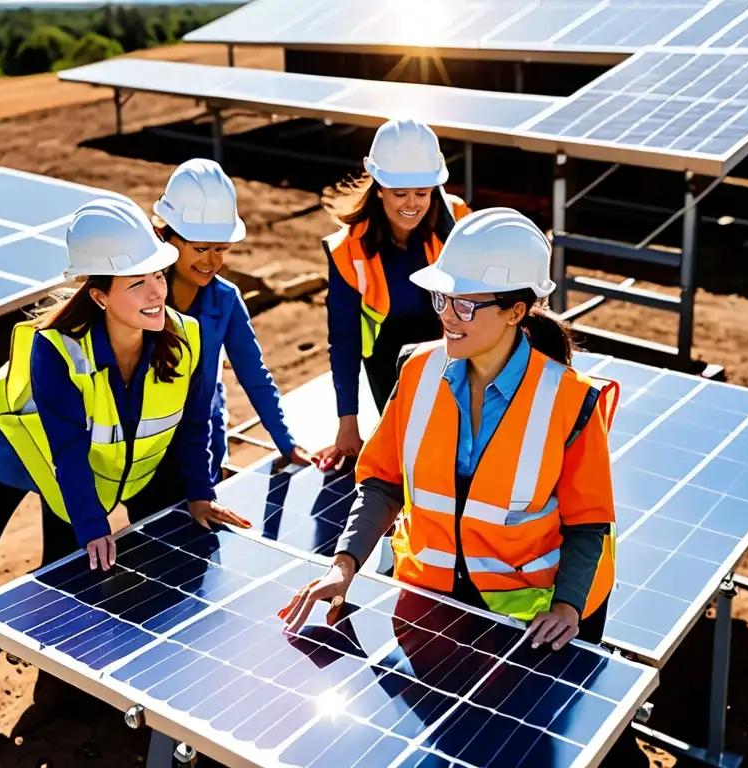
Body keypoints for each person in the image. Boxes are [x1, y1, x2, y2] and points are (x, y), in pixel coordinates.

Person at [0, 197, 249, 701]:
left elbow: (194, 423)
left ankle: (57, 675)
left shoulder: (189, 338)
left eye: (158, 274)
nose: (157, 291)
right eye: (136, 282)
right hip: (10, 447)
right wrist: (94, 525)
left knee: (70, 562)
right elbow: (68, 450)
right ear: (98, 296)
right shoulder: (55, 351)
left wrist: (201, 492)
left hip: (80, 462)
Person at [280, 207, 620, 654]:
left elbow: (588, 522)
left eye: (464, 304)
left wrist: (568, 607)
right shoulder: (417, 370)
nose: (448, 317)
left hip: (533, 617)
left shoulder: (572, 400)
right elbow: (382, 482)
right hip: (433, 600)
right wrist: (344, 565)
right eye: (442, 300)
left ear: (515, 311)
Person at [151, 158, 315, 483]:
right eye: (200, 248)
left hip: (205, 444)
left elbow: (254, 375)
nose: (211, 261)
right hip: (151, 447)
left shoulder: (225, 299)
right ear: (165, 235)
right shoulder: (140, 297)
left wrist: (286, 442)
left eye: (221, 249)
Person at [320, 118, 472, 466]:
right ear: (378, 187)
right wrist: (348, 424)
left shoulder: (459, 223)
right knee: (411, 455)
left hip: (454, 348)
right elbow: (343, 340)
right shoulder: (348, 251)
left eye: (422, 193)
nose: (412, 204)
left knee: (460, 451)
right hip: (388, 364)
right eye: (399, 193)